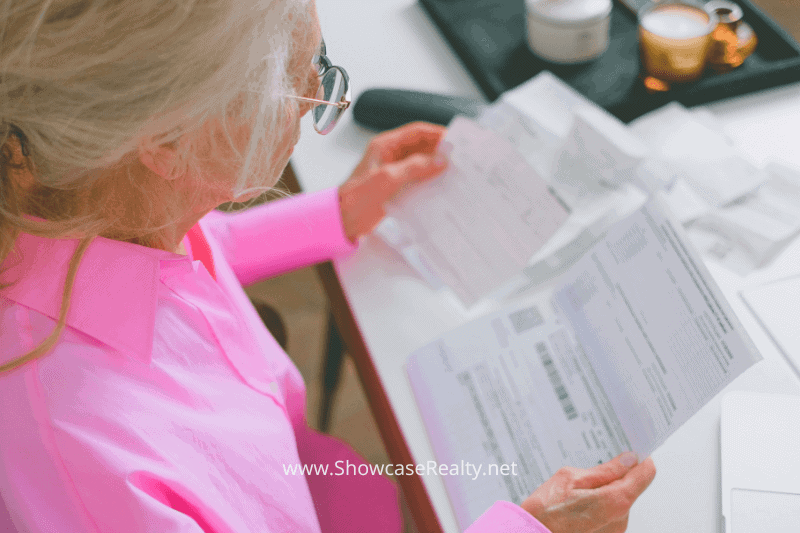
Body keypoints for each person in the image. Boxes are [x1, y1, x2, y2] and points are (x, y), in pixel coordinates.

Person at [0, 1, 656, 531]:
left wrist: (337, 212)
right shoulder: (98, 480)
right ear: (166, 139)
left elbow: (202, 247)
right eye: (291, 73)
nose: (318, 91)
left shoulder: (96, 203)